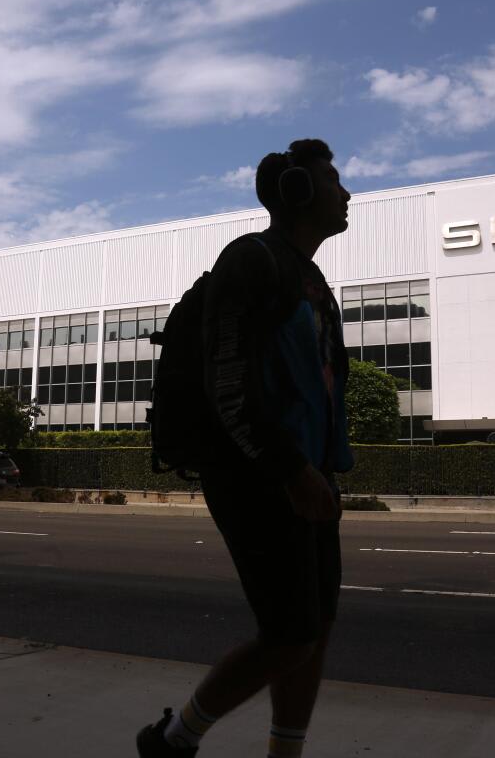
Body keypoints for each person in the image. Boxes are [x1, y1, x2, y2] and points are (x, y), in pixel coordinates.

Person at [137, 138, 354, 758]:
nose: (346, 193)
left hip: (310, 477)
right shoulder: (250, 262)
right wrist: (291, 472)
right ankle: (174, 740)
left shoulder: (310, 277)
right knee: (289, 635)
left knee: (315, 632)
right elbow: (226, 384)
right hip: (256, 476)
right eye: (333, 181)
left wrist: (325, 471)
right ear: (298, 193)